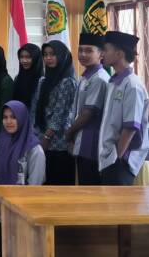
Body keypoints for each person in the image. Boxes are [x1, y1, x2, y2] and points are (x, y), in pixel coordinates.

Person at [99, 31, 149, 185]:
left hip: (121, 160)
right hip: (108, 157)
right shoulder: (114, 82)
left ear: (119, 54)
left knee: (117, 207)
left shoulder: (132, 85)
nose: (102, 54)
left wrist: (117, 158)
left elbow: (130, 127)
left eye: (106, 50)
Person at [63, 33, 109, 185]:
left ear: (101, 54)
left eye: (89, 51)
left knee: (90, 190)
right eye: (80, 50)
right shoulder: (86, 76)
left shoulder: (99, 79)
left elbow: (87, 114)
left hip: (92, 145)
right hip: (81, 143)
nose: (83, 54)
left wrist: (69, 133)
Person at [30, 40, 77, 185]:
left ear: (62, 56)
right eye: (45, 55)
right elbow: (34, 108)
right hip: (40, 138)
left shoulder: (67, 82)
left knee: (59, 185)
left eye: (53, 54)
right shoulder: (43, 81)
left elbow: (59, 114)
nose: (48, 58)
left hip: (59, 143)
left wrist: (46, 138)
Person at [0, 100, 45, 186]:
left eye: (13, 117)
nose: (8, 121)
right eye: (5, 117)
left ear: (22, 118)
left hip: (24, 198)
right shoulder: (2, 142)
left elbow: (35, 186)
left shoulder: (35, 150)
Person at [12, 44, 43, 108]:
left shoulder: (43, 81)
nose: (24, 60)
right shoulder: (17, 78)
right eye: (21, 57)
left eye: (28, 57)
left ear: (36, 58)